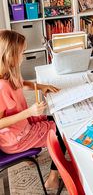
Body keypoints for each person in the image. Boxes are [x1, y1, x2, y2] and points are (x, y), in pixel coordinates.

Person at [0, 30, 65, 191]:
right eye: (21, 53)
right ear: (9, 56)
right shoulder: (1, 86)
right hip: (15, 139)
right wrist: (30, 112)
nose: (23, 56)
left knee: (56, 119)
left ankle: (31, 153)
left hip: (22, 126)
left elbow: (22, 84)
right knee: (62, 133)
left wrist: (41, 86)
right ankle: (53, 178)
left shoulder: (8, 72)